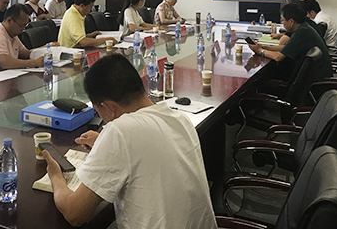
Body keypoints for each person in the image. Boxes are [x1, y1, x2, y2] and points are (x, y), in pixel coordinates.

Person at [42, 53, 217, 229]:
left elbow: (75, 213)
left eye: (97, 112)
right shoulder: (180, 119)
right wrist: (103, 141)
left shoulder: (120, 132)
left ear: (109, 107)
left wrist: (56, 177)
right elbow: (148, 147)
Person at [248, 2, 332, 79]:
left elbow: (278, 57)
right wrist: (263, 47)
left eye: (282, 20)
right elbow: (285, 48)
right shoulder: (303, 28)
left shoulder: (301, 32)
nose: (282, 22)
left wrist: (260, 51)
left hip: (315, 79)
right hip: (315, 74)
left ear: (291, 21)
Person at [0, 3, 50, 72]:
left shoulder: (13, 34)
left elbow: (26, 54)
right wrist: (34, 63)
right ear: (9, 20)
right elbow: (5, 62)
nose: (23, 29)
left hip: (6, 75)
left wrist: (46, 47)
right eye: (21, 26)